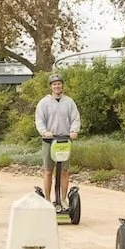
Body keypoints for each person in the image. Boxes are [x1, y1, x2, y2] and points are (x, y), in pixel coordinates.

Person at [35, 73, 81, 206]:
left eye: (59, 83)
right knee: (48, 171)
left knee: (64, 171)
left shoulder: (69, 102)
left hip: (65, 141)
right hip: (49, 141)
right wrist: (44, 132)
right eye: (54, 84)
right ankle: (48, 200)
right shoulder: (44, 102)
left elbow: (75, 118)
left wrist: (74, 131)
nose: (57, 86)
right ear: (51, 86)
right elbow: (39, 120)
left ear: (62, 85)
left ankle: (63, 200)